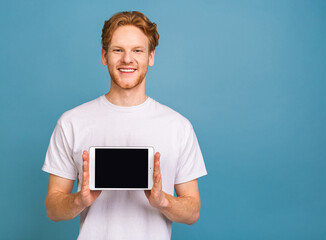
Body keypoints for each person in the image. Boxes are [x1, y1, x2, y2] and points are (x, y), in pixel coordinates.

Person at [42, 11, 207, 240]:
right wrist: (80, 199)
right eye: (117, 50)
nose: (127, 59)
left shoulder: (178, 126)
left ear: (151, 57)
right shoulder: (71, 122)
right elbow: (53, 208)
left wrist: (163, 201)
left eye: (137, 50)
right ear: (104, 56)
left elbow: (193, 212)